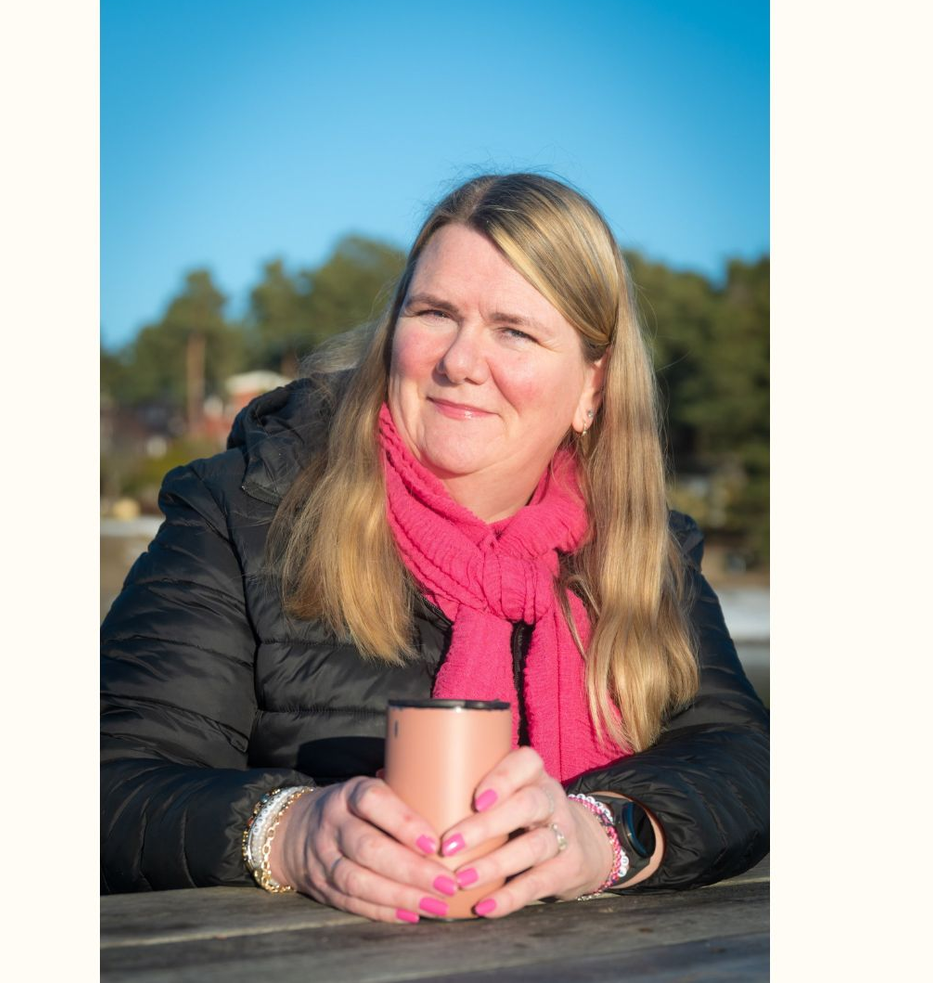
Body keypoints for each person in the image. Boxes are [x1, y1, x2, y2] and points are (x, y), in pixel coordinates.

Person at [101, 173, 769, 923]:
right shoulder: (243, 511)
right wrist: (286, 832)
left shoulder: (643, 552)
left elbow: (744, 759)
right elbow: (111, 780)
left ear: (593, 388)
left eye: (514, 330)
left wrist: (605, 833)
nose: (459, 361)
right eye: (434, 313)